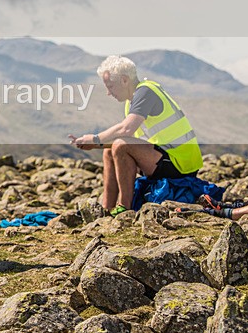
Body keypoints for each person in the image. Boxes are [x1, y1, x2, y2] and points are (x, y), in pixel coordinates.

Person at [70, 55, 203, 216]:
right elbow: (134, 140)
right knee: (109, 151)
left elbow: (126, 130)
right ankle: (106, 210)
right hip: (165, 157)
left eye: (110, 86)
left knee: (120, 145)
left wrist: (95, 138)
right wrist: (95, 145)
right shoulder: (132, 101)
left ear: (124, 80)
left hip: (181, 163)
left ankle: (124, 208)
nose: (108, 93)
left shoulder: (145, 92)